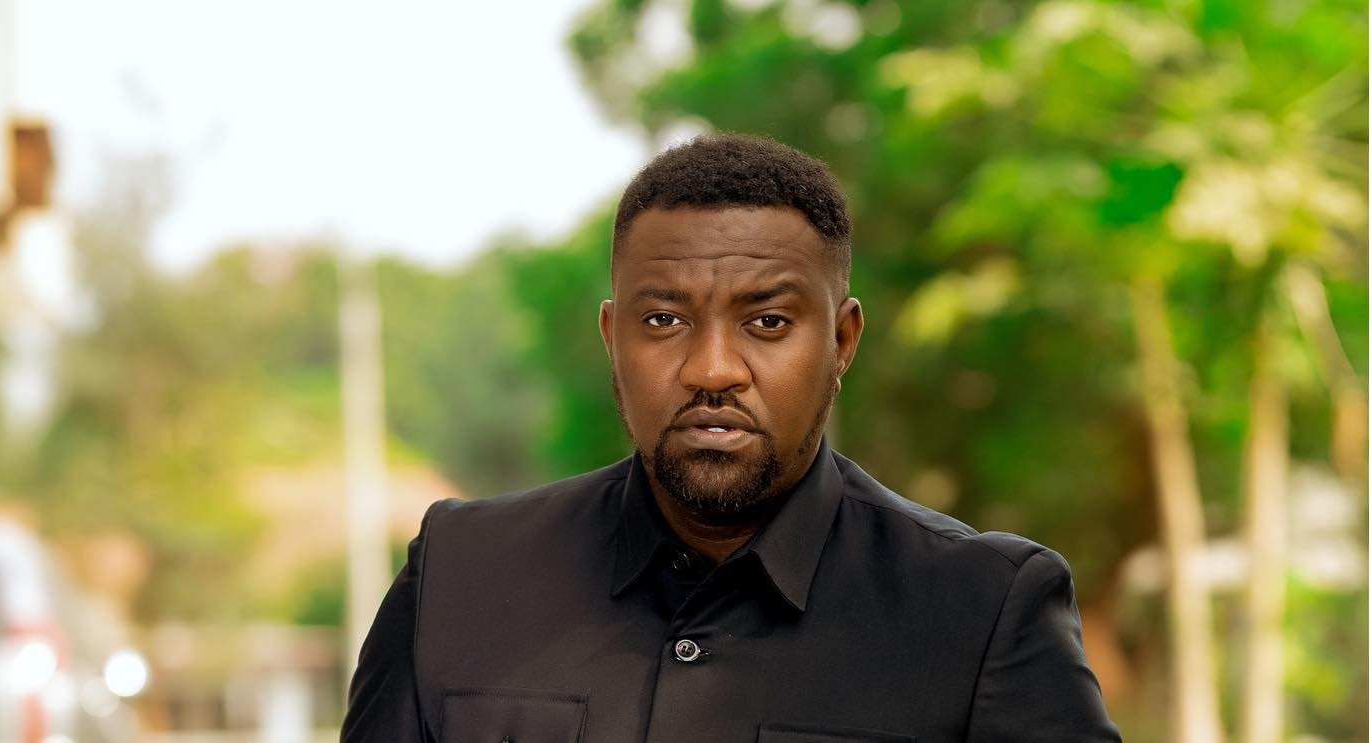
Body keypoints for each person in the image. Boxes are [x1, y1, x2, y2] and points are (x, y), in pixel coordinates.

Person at [342, 134, 1120, 742]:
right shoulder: (458, 576)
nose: (712, 369)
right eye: (664, 319)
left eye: (768, 321)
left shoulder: (981, 612)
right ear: (612, 338)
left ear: (842, 341)